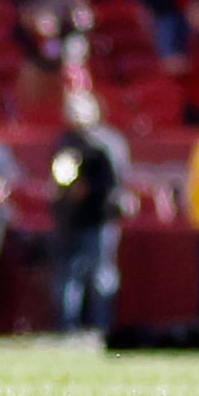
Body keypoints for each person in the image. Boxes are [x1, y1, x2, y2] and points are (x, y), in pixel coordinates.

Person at [48, 92, 128, 333]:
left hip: (99, 218)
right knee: (67, 276)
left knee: (100, 276)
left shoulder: (106, 143)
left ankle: (100, 325)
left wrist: (89, 189)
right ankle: (67, 326)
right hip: (70, 218)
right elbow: (60, 176)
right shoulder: (66, 142)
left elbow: (114, 182)